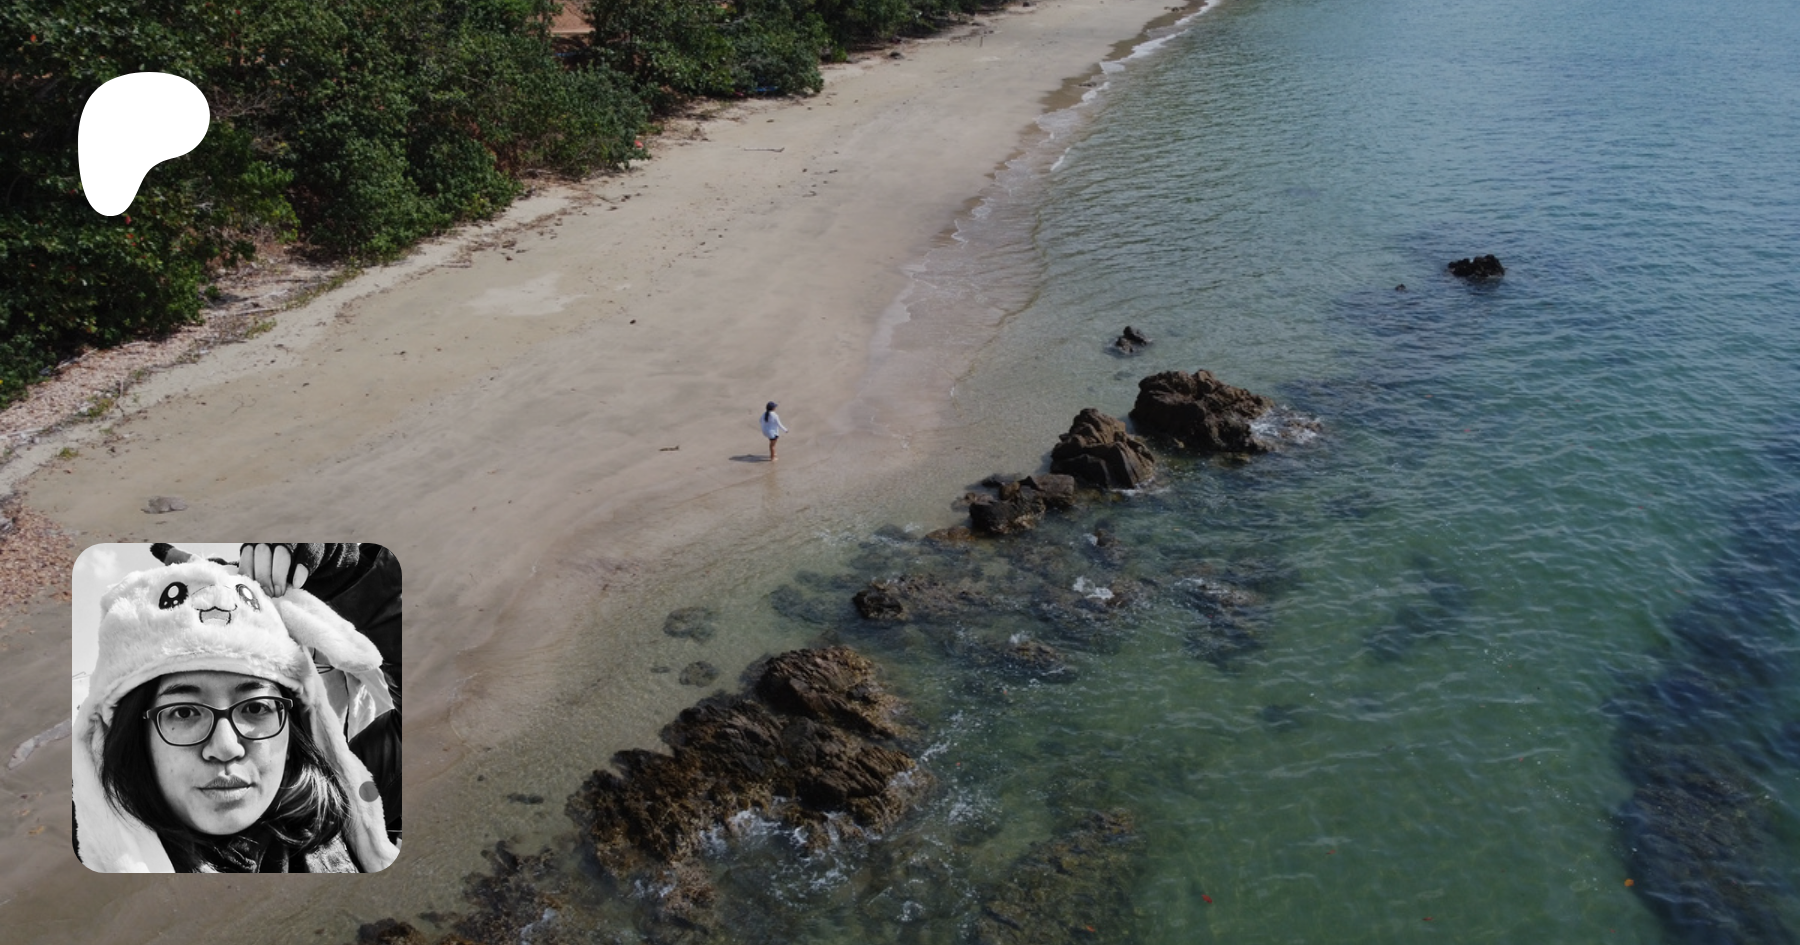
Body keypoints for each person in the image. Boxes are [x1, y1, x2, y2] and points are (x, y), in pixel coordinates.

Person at [72, 557, 398, 872]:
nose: (226, 747)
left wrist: (355, 571)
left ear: (293, 726)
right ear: (136, 737)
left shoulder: (340, 805)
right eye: (184, 712)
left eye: (256, 708)